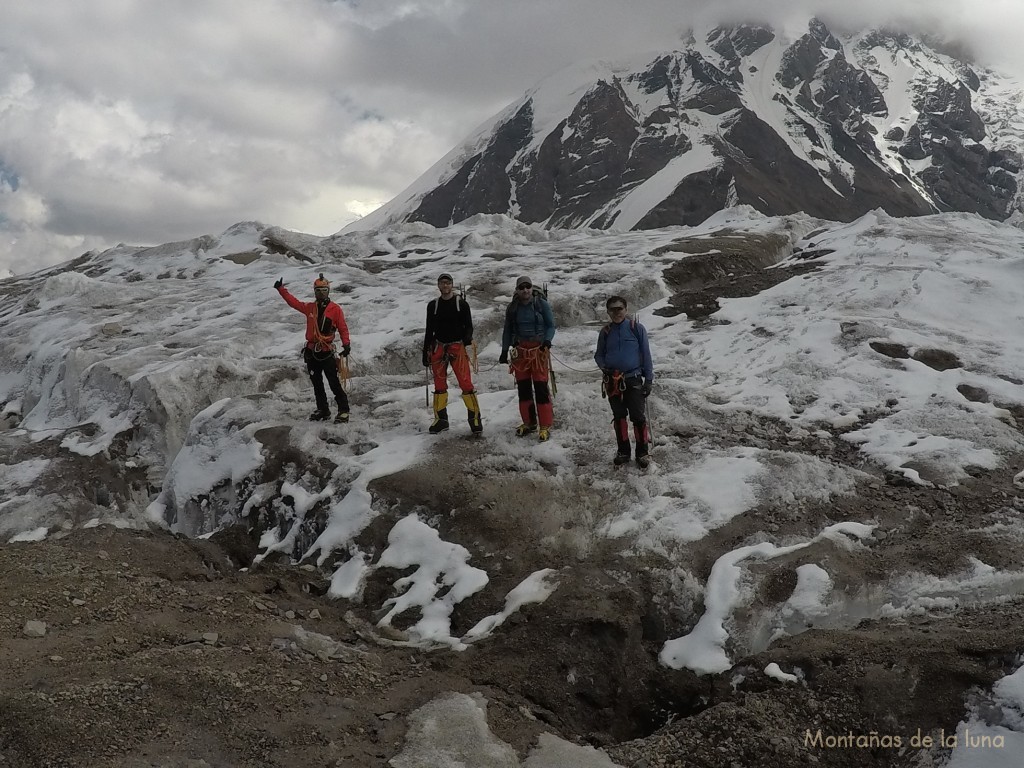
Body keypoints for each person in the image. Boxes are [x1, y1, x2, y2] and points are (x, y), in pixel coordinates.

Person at [274, 273, 351, 423]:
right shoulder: (310, 308)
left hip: (327, 351)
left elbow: (342, 328)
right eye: (318, 291)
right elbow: (294, 303)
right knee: (317, 383)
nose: (321, 293)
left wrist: (346, 344)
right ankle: (323, 409)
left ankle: (343, 410)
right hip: (312, 352)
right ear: (314, 292)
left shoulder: (335, 309)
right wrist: (281, 289)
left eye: (324, 290)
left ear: (328, 291)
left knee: (333, 382)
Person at [594, 295, 654, 468]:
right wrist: (604, 367)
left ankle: (642, 453)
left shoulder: (637, 329)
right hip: (612, 381)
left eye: (619, 308)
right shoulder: (605, 332)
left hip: (633, 379)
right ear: (608, 312)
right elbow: (599, 355)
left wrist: (648, 380)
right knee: (619, 417)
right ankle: (623, 452)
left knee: (638, 417)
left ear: (626, 310)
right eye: (612, 309)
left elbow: (646, 354)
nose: (616, 312)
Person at [422, 272, 482, 435]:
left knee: (465, 383)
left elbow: (468, 326)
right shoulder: (433, 306)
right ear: (438, 286)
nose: (445, 286)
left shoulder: (461, 304)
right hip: (438, 347)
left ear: (452, 285)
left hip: (456, 346)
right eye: (442, 283)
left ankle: (475, 418)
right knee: (439, 384)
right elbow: (429, 330)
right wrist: (425, 351)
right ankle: (441, 420)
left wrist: (467, 337)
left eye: (448, 283)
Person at [499, 275, 556, 441]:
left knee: (540, 389)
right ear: (517, 290)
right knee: (523, 389)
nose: (525, 290)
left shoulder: (541, 304)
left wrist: (547, 341)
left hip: (539, 352)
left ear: (531, 288)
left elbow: (551, 325)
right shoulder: (513, 308)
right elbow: (507, 330)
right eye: (522, 287)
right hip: (521, 353)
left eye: (528, 287)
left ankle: (545, 425)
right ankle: (529, 422)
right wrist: (504, 350)